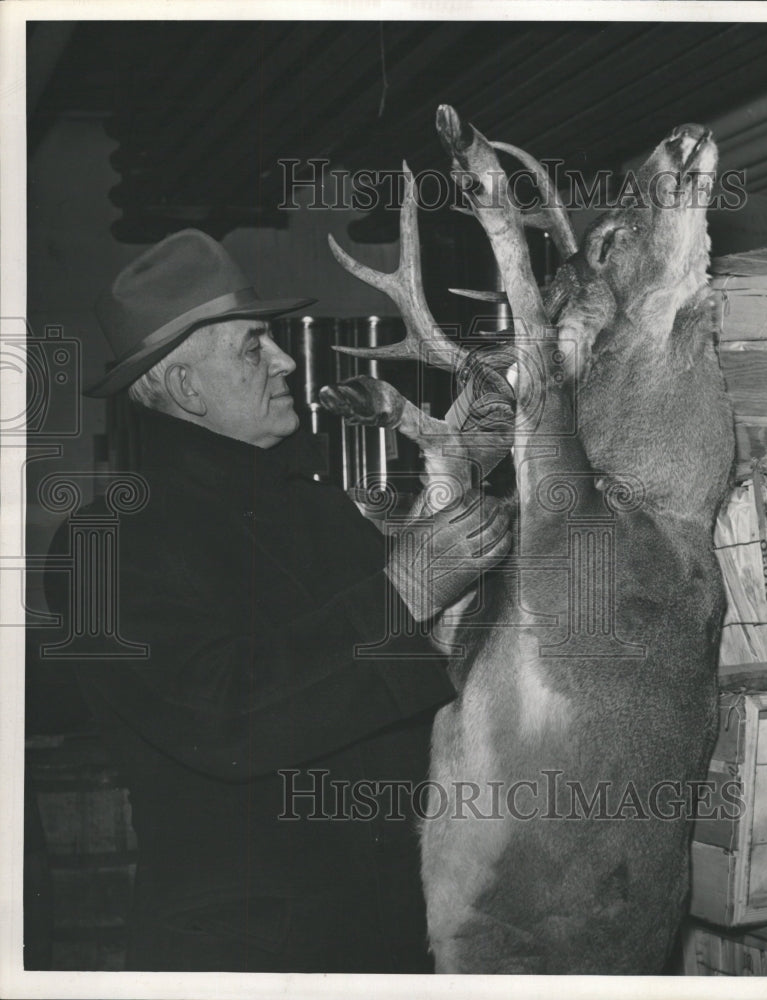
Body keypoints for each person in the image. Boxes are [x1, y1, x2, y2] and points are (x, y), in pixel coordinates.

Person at [44, 229, 511, 973]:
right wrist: (408, 588)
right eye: (254, 345)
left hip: (392, 934)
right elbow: (227, 718)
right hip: (247, 954)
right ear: (186, 388)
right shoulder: (109, 539)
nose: (288, 359)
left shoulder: (313, 506)